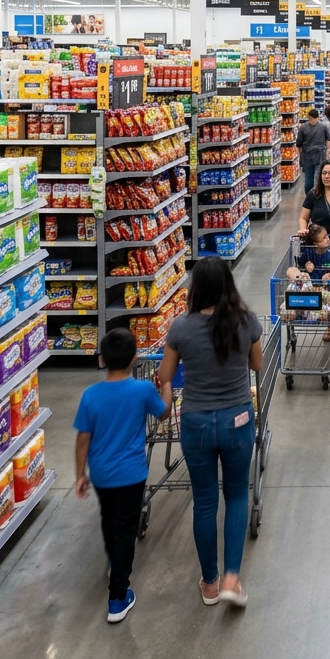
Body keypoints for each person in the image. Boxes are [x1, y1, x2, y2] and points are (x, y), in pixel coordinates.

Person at [158, 259, 262, 607]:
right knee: (236, 495)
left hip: (197, 422)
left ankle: (210, 583)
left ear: (196, 288)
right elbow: (256, 364)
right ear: (229, 285)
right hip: (238, 421)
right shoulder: (246, 321)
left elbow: (166, 374)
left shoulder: (180, 328)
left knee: (204, 502)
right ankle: (233, 577)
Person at [74, 328, 167, 623]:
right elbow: (163, 413)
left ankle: (113, 559)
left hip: (101, 475)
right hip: (132, 473)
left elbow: (82, 439)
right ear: (135, 358)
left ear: (101, 359)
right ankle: (118, 596)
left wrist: (80, 475)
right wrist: (164, 384)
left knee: (109, 520)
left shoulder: (91, 395)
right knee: (126, 529)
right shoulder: (142, 390)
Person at [296, 108, 330, 196]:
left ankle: (313, 196)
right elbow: (329, 139)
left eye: (312, 118)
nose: (311, 120)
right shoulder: (322, 126)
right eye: (310, 119)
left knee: (315, 177)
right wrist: (327, 149)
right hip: (316, 155)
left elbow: (299, 144)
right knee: (311, 178)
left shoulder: (304, 127)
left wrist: (327, 150)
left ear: (317, 118)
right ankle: (313, 196)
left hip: (313, 155)